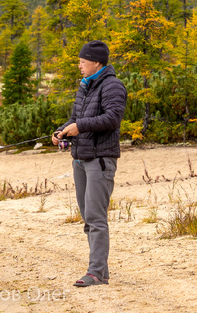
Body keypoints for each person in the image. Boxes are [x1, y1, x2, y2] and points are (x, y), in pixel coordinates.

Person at [52, 39, 127, 288]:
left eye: (82, 62)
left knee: (96, 218)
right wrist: (62, 131)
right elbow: (75, 118)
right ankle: (100, 273)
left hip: (100, 160)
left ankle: (95, 273)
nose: (79, 66)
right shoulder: (85, 86)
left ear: (96, 62)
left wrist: (79, 126)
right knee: (88, 218)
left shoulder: (112, 85)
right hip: (80, 159)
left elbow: (112, 118)